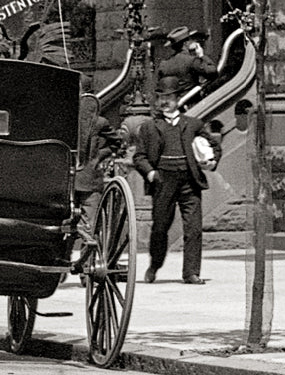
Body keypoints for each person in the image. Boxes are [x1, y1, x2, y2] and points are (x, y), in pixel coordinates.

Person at [133, 75, 221, 285]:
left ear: (178, 99)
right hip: (163, 180)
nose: (165, 102)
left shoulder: (193, 124)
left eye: (169, 97)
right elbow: (139, 157)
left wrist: (211, 161)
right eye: (161, 97)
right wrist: (151, 173)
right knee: (160, 227)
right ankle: (154, 265)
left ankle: (191, 273)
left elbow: (214, 147)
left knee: (194, 228)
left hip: (189, 181)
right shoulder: (149, 127)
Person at [75, 75, 121, 230]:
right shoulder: (99, 121)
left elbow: (117, 142)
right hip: (85, 179)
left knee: (89, 222)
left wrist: (98, 156)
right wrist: (99, 156)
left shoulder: (98, 122)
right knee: (90, 224)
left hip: (81, 179)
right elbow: (117, 142)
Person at [157, 26, 218, 96]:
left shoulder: (163, 64)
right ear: (186, 43)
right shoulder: (192, 60)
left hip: (174, 101)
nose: (193, 41)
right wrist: (202, 55)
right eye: (191, 39)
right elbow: (213, 72)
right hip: (192, 100)